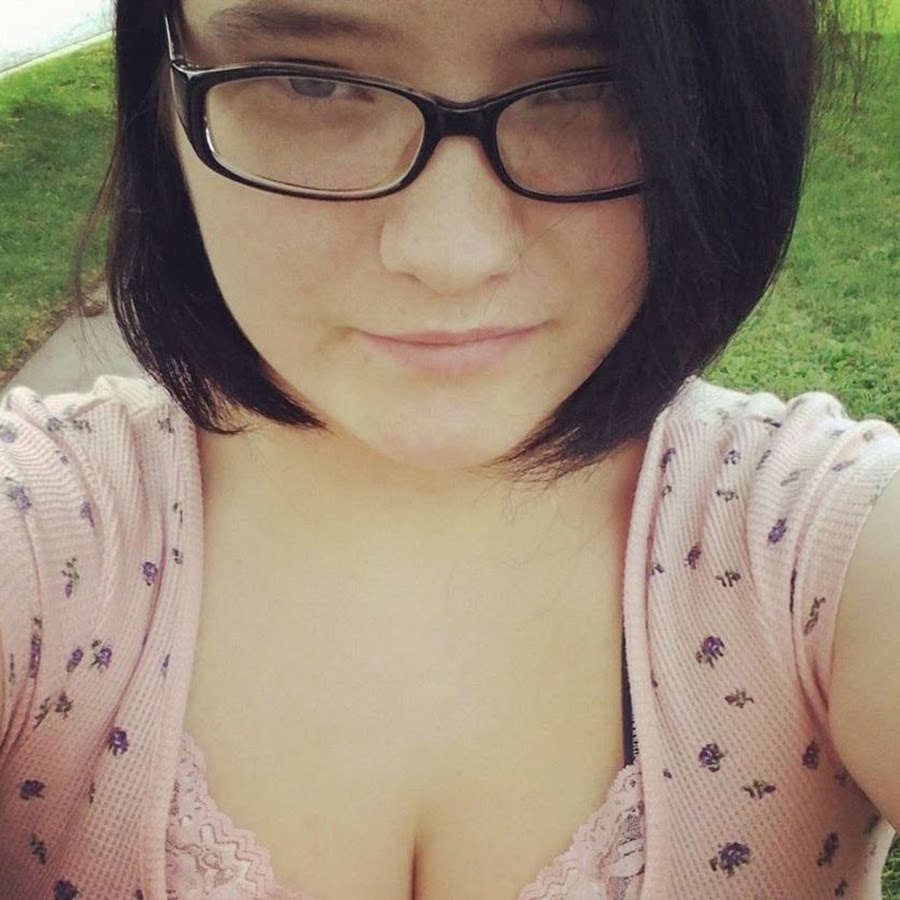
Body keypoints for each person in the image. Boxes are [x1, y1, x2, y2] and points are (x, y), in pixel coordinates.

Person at [0, 0, 898, 897]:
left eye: (591, 88)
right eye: (313, 85)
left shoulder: (819, 546)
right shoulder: (39, 532)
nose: (451, 254)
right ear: (161, 90)